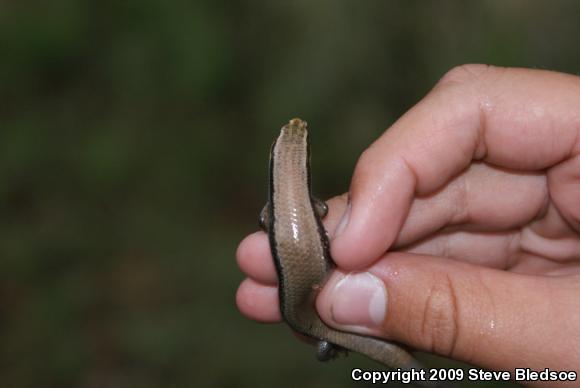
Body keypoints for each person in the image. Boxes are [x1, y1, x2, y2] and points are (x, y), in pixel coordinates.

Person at [235, 65, 580, 384]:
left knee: (327, 336)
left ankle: (348, 351)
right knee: (332, 326)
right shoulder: (305, 205)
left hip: (303, 307)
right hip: (313, 294)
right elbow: (321, 210)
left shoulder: (273, 210)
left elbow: (269, 219)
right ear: (303, 162)